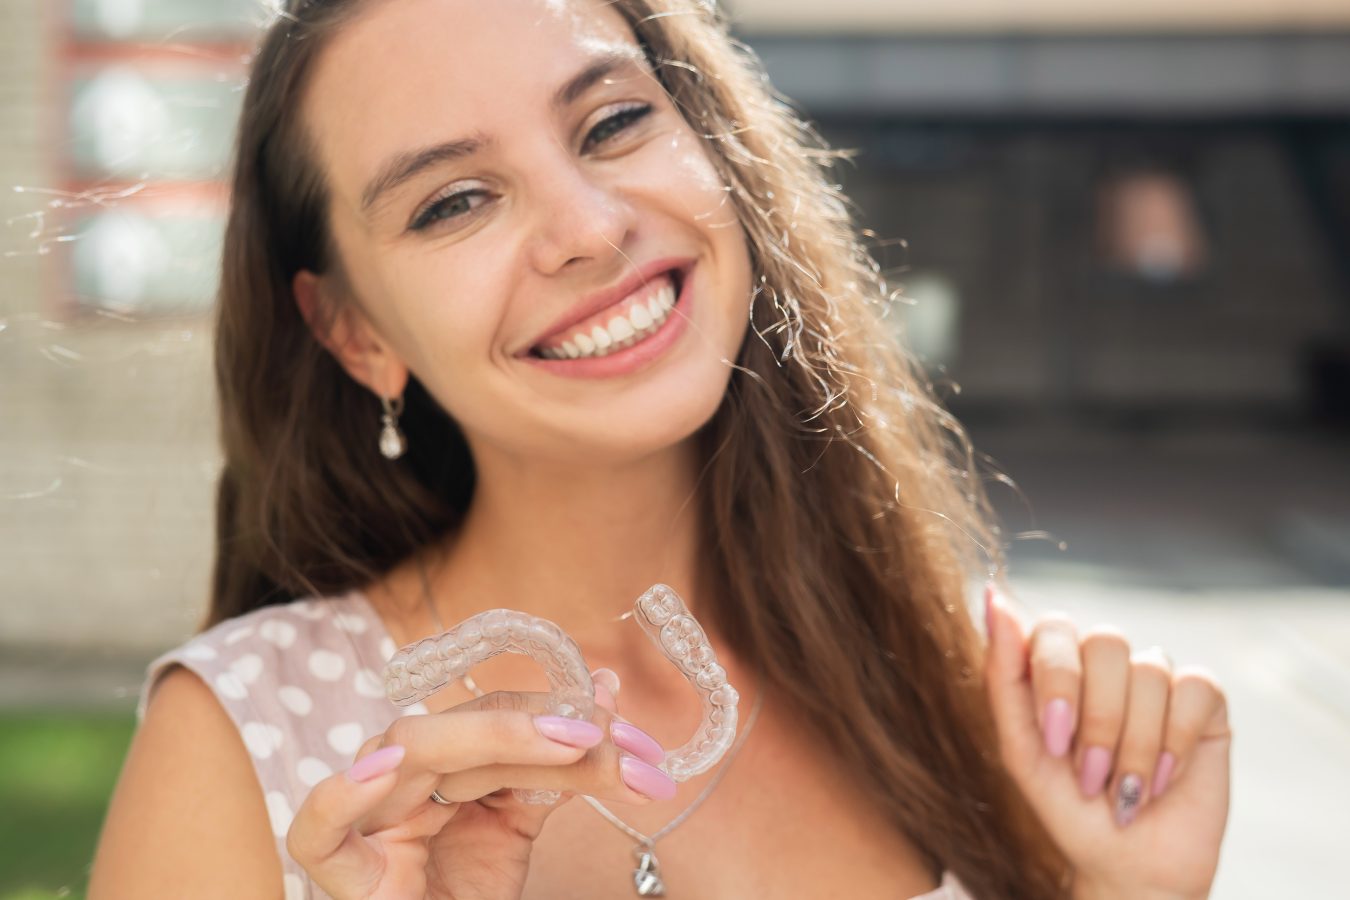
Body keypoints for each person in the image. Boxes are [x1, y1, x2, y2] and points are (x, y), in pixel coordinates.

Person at [88, 0, 1232, 897]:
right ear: (356, 331)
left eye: (614, 123)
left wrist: (1124, 894)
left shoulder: (947, 675)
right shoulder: (244, 740)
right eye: (455, 202)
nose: (589, 227)